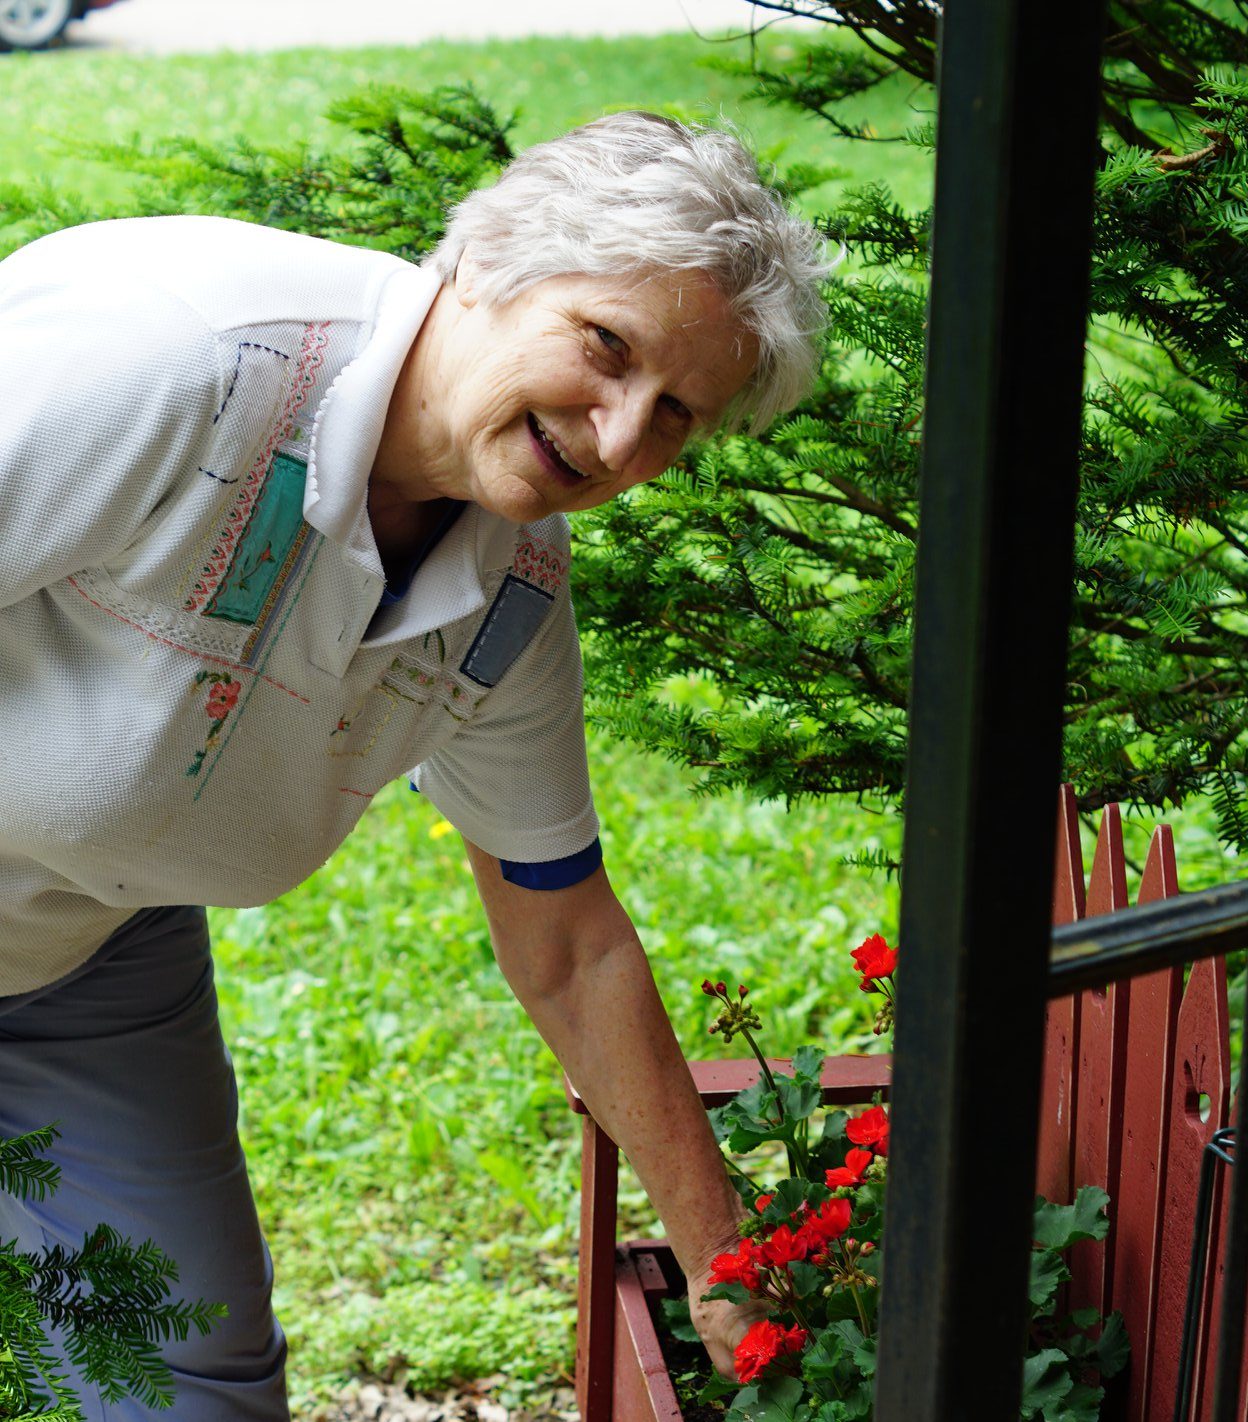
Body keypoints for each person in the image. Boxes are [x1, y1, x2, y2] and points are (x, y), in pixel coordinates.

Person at [0, 111, 827, 1419]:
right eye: (604, 348)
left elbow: (568, 943)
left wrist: (728, 1269)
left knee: (177, 1379)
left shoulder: (503, 604)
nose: (616, 441)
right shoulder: (175, 364)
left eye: (673, 414)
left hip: (78, 950)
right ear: (487, 260)